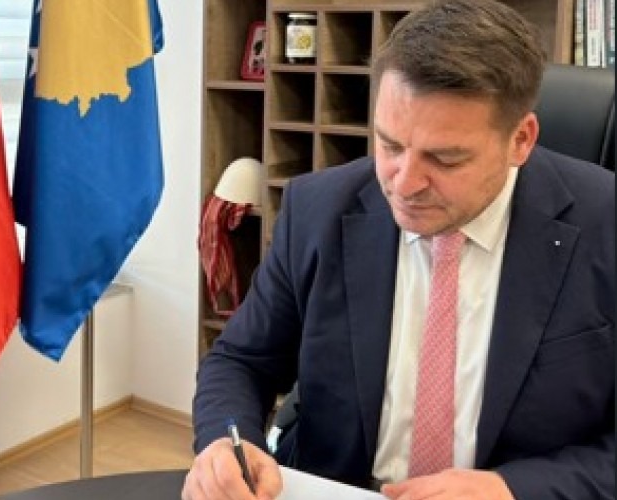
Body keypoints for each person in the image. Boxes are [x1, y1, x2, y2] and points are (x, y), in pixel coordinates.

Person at [182, 0, 615, 498]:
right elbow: (241, 360)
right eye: (390, 145)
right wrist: (225, 442)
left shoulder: (604, 224)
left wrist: (512, 489)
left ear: (520, 139)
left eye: (445, 159)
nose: (404, 185)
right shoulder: (316, 210)